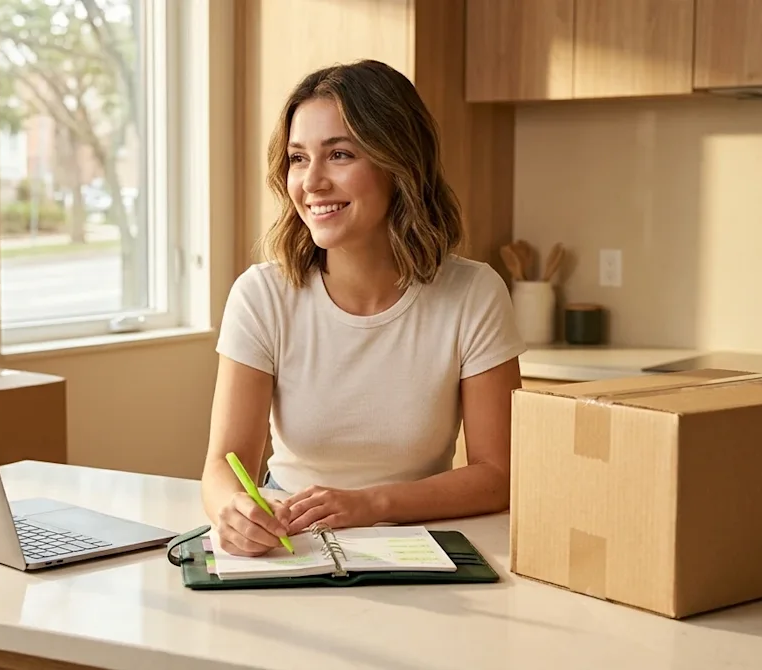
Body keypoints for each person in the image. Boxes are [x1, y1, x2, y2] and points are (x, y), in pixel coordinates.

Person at [201, 59, 526, 557]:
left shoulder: (473, 294)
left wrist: (369, 504)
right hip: (294, 547)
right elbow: (223, 464)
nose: (311, 183)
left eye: (340, 154)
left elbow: (499, 475)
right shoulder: (261, 296)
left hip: (420, 543)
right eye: (297, 158)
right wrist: (232, 511)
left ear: (399, 164)